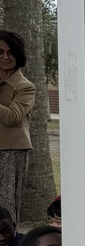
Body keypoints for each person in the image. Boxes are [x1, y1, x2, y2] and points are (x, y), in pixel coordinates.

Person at [0, 30, 36, 225]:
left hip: (10, 152)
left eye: (10, 52)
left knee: (5, 206)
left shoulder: (25, 86)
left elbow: (13, 117)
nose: (5, 57)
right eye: (1, 52)